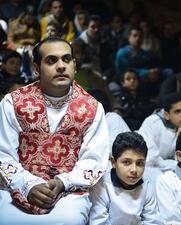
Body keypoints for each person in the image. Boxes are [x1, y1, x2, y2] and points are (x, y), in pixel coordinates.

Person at [0, 37, 109, 225]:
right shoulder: (12, 103)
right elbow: (3, 154)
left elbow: (93, 161)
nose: (61, 66)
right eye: (51, 60)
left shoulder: (92, 108)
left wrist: (61, 183)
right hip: (17, 185)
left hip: (69, 191)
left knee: (69, 220)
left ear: (74, 65)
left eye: (66, 59)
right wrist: (29, 185)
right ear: (36, 68)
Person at [89, 131, 163, 225]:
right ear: (113, 162)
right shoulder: (101, 186)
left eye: (139, 163)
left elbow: (153, 221)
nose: (134, 170)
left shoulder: (146, 186)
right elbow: (99, 222)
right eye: (127, 162)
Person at [138, 93, 181, 181]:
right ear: (166, 115)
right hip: (147, 168)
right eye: (177, 112)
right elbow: (150, 159)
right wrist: (174, 164)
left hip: (166, 168)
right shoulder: (152, 122)